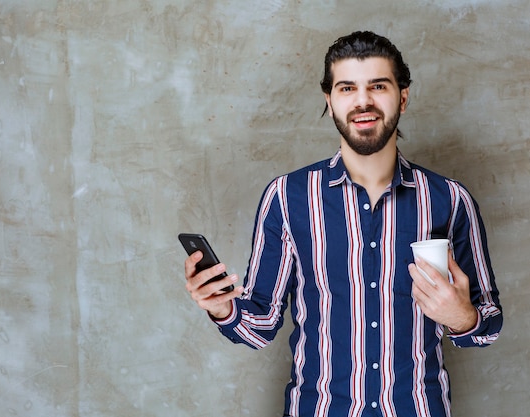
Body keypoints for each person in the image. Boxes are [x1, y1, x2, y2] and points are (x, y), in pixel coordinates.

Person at [185, 31, 502, 417]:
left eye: (378, 86)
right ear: (330, 100)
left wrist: (462, 317)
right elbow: (259, 326)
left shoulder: (450, 200)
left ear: (402, 97)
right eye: (347, 87)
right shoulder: (287, 198)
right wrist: (221, 308)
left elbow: (488, 325)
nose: (363, 101)